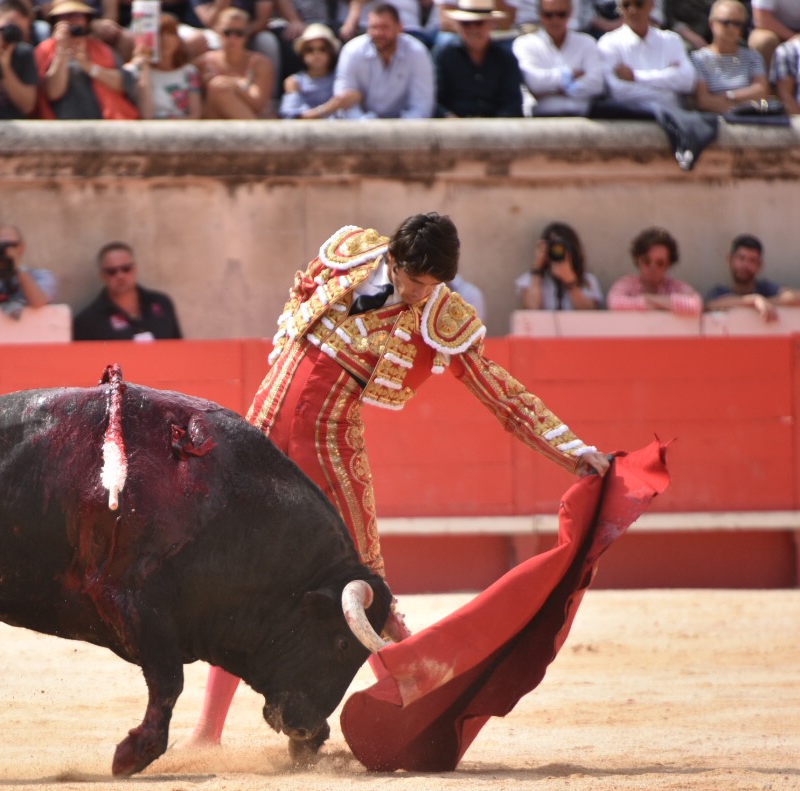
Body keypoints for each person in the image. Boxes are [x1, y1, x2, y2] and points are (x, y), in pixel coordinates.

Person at [188, 213, 612, 747]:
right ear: (392, 259)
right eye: (414, 280)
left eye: (433, 285)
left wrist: (572, 451)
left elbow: (499, 392)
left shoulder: (440, 314)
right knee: (240, 574)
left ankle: (422, 710)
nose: (419, 294)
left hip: (329, 447)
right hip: (262, 430)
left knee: (369, 586)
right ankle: (207, 732)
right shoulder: (348, 251)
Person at [595, 0, 708, 169]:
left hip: (672, 128)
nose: (632, 10)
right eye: (626, 5)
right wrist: (668, 85)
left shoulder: (671, 40)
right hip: (629, 131)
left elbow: (687, 82)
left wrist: (636, 77)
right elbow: (618, 92)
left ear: (652, 6)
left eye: (639, 4)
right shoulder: (608, 43)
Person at [315, 3, 434, 120]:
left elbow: (421, 106)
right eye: (373, 27)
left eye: (384, 27)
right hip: (360, 127)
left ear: (399, 28)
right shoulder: (352, 51)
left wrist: (399, 128)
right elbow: (344, 100)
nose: (378, 33)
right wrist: (368, 126)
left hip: (408, 128)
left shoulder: (417, 52)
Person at [35, 0, 137, 118]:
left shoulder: (101, 49)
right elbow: (52, 93)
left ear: (86, 20)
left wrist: (89, 67)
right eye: (65, 16)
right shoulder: (43, 50)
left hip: (108, 121)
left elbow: (124, 84)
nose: (73, 21)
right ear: (55, 22)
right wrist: (61, 52)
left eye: (78, 15)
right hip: (62, 124)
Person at [72, 242, 183, 340]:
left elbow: (178, 348)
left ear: (135, 269)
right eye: (112, 272)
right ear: (103, 276)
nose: (120, 276)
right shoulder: (88, 321)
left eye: (126, 269)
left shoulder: (162, 303)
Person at [513, 0, 605, 116]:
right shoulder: (524, 44)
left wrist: (553, 91)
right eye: (548, 15)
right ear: (539, 14)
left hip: (583, 118)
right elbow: (533, 82)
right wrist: (570, 75)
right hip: (541, 119)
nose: (555, 20)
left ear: (570, 13)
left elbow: (597, 84)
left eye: (561, 14)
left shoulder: (587, 42)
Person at [433, 0, 521, 117]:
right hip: (453, 126)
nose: (472, 29)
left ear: (491, 24)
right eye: (466, 23)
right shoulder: (444, 55)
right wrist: (449, 117)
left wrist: (497, 124)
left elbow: (512, 102)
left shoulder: (505, 58)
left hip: (497, 125)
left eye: (479, 23)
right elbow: (434, 99)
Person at [690, 0, 771, 112]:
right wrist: (742, 102)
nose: (731, 28)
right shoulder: (699, 59)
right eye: (726, 22)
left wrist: (730, 96)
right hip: (715, 119)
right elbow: (703, 100)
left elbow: (761, 91)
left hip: (750, 117)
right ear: (712, 24)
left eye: (737, 24)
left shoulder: (753, 56)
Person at [705, 234, 800, 319]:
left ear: (759, 265)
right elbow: (711, 305)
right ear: (730, 260)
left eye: (752, 260)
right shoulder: (720, 291)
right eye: (741, 258)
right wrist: (753, 301)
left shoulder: (765, 288)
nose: (745, 265)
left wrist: (765, 302)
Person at [606, 226, 703, 315]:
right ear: (637, 261)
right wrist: (667, 304)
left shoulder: (675, 287)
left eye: (660, 263)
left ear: (668, 265)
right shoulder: (627, 284)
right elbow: (614, 302)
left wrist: (650, 299)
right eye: (646, 261)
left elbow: (696, 305)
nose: (653, 267)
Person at [197, 7, 272, 117]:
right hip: (214, 118)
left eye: (239, 33)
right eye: (227, 32)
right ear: (217, 32)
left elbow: (258, 104)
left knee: (219, 87)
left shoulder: (259, 63)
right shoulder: (204, 62)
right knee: (216, 88)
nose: (232, 39)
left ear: (246, 35)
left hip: (248, 118)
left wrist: (234, 85)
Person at [516, 221, 603, 310]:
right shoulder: (531, 279)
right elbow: (532, 308)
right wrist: (538, 268)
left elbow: (589, 312)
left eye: (562, 246)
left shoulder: (588, 280)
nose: (557, 250)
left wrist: (571, 281)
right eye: (553, 245)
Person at [127, 13, 200, 119]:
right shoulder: (135, 70)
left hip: (183, 127)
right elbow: (146, 114)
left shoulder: (190, 72)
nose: (165, 39)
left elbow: (195, 115)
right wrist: (144, 68)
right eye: (159, 34)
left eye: (170, 34)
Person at [0, 224, 57, 312]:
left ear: (22, 247)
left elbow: (38, 302)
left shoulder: (41, 276)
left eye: (12, 245)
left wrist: (17, 265)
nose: (6, 250)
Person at [279, 20, 339, 118]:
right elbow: (290, 115)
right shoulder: (294, 82)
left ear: (331, 53)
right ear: (303, 54)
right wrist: (327, 109)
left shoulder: (340, 79)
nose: (316, 54)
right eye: (310, 50)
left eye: (323, 49)